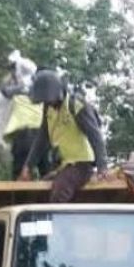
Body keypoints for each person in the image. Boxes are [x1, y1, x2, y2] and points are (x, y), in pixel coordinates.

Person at [20, 69, 108, 202]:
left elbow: (95, 136)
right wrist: (28, 166)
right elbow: (42, 139)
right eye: (45, 102)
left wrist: (102, 167)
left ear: (58, 94)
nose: (48, 104)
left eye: (49, 101)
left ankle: (58, 221)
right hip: (64, 166)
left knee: (59, 192)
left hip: (82, 165)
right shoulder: (48, 109)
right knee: (39, 191)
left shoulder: (77, 105)